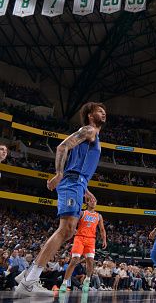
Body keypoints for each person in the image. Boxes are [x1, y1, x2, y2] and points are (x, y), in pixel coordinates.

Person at [15, 102, 105, 297]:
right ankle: (29, 280)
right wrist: (59, 173)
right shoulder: (89, 130)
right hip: (72, 182)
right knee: (66, 230)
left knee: (68, 230)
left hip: (78, 184)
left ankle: (28, 275)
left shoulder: (94, 136)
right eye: (99, 111)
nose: (103, 113)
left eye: (104, 111)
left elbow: (79, 163)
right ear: (90, 115)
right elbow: (62, 147)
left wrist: (85, 190)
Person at [59, 199, 107, 293]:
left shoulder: (98, 216)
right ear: (87, 203)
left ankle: (87, 280)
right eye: (91, 200)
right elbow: (73, 222)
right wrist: (73, 230)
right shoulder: (82, 213)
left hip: (91, 240)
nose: (93, 202)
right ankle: (64, 283)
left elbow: (102, 229)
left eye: (95, 201)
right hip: (79, 238)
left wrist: (104, 239)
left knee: (90, 261)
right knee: (74, 260)